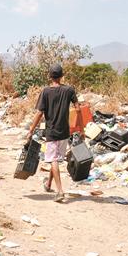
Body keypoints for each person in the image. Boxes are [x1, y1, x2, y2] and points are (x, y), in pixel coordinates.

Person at [26, 64, 80, 203]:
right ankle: (49, 184)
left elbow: (39, 113)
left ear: (50, 76)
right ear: (62, 76)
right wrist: (81, 128)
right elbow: (78, 109)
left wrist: (31, 130)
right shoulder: (69, 90)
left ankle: (60, 191)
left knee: (53, 160)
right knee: (55, 158)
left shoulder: (45, 92)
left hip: (52, 132)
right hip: (64, 132)